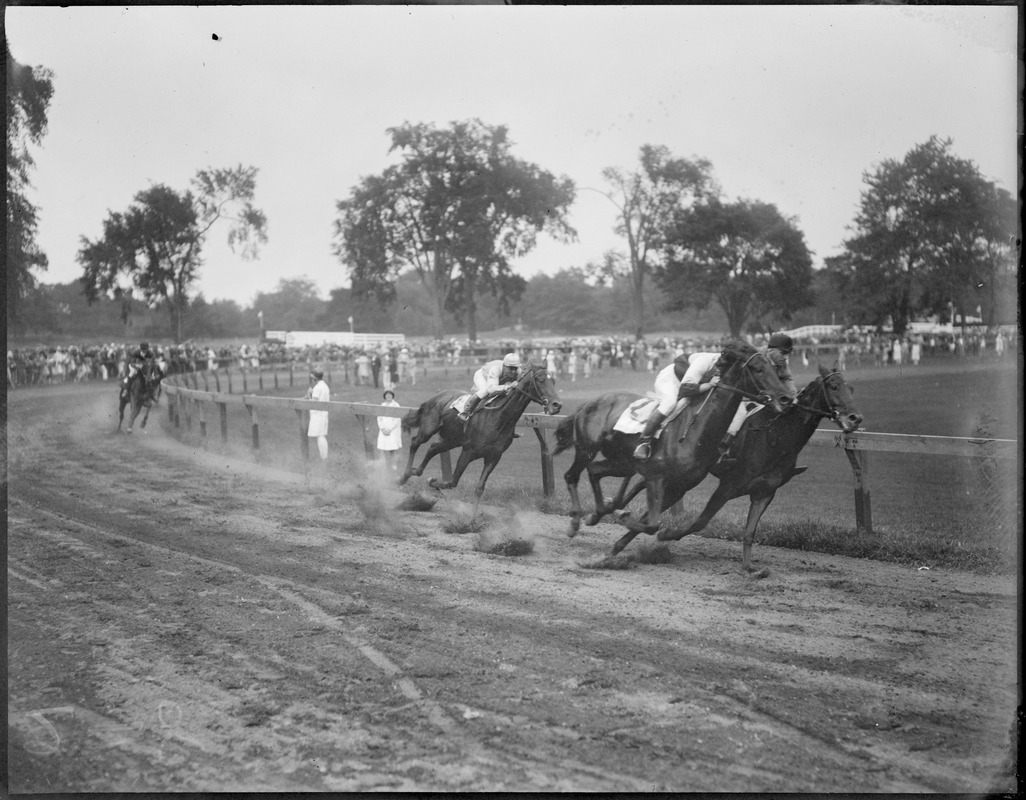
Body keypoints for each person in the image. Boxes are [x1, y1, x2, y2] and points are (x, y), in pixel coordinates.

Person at [714, 332, 799, 470]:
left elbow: (787, 379)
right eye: (783, 353)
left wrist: (793, 396)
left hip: (762, 398)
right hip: (741, 397)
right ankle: (722, 453)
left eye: (788, 354)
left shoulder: (781, 363)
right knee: (739, 417)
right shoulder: (754, 357)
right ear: (771, 350)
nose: (785, 358)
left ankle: (780, 460)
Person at [633, 350, 721, 461]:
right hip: (671, 379)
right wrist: (709, 385)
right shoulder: (705, 361)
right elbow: (686, 389)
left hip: (692, 384)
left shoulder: (730, 365)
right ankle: (644, 442)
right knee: (670, 404)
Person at [459, 352, 522, 422]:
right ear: (504, 366)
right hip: (482, 375)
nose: (513, 371)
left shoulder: (519, 372)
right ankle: (466, 411)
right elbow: (491, 389)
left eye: (515, 368)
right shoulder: (495, 369)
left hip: (496, 379)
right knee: (485, 391)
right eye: (511, 368)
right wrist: (507, 386)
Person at [304, 368, 330, 462]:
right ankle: (323, 457)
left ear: (314, 377)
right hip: (322, 413)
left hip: (318, 413)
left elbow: (314, 403)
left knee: (320, 435)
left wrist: (309, 394)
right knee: (320, 435)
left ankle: (324, 457)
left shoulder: (318, 387)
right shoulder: (324, 386)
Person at [377, 390, 403, 471]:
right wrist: (382, 428)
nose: (388, 396)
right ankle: (382, 465)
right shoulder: (382, 405)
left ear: (392, 396)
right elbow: (379, 418)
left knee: (392, 449)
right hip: (383, 430)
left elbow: (397, 419)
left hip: (392, 431)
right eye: (387, 395)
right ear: (384, 396)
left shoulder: (396, 405)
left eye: (390, 395)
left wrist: (389, 429)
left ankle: (394, 466)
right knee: (382, 448)